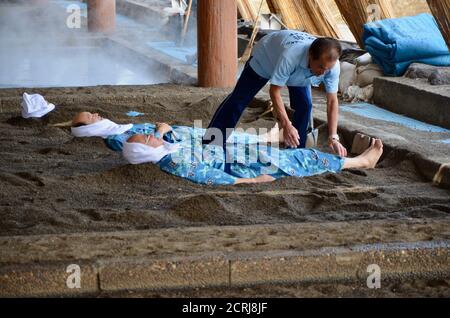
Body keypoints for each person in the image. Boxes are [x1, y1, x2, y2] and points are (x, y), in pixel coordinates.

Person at [204, 31, 347, 158]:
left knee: (305, 106)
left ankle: (296, 150)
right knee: (239, 100)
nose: (323, 73)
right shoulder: (291, 55)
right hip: (265, 60)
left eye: (327, 69)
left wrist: (333, 137)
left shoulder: (332, 67)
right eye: (320, 67)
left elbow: (332, 101)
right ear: (310, 55)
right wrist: (286, 124)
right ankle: (212, 141)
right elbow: (274, 91)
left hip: (300, 73)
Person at [122, 123, 384, 186]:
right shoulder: (174, 162)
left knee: (300, 157)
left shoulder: (168, 149)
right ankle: (360, 162)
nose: (153, 137)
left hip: (239, 154)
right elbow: (212, 177)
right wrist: (252, 181)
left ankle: (353, 161)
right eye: (148, 140)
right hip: (243, 167)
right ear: (145, 152)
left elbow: (166, 130)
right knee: (301, 159)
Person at [70, 111, 280, 151]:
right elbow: (143, 149)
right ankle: (266, 138)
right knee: (217, 140)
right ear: (91, 128)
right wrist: (161, 132)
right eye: (90, 117)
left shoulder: (114, 131)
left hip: (173, 134)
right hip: (175, 142)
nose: (96, 115)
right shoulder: (114, 139)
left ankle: (263, 137)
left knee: (216, 136)